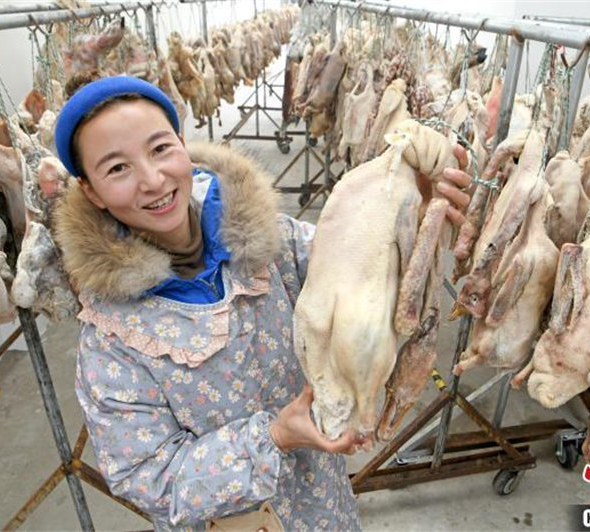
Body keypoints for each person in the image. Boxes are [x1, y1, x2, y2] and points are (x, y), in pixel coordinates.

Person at [53, 74, 471, 531]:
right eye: (117, 169)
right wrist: (274, 437)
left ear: (182, 144)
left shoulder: (275, 243)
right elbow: (146, 478)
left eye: (160, 149)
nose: (152, 180)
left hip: (324, 506)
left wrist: (411, 212)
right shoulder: (113, 338)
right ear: (90, 190)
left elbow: (367, 285)